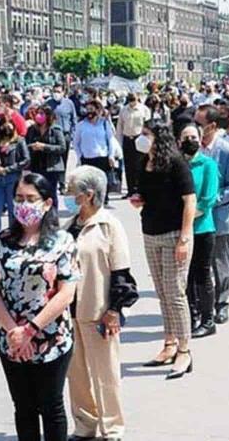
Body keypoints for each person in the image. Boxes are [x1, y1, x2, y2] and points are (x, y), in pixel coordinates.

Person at [0, 172, 79, 441]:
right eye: (19, 198)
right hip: (10, 338)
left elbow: (66, 293)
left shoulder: (62, 241)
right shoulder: (2, 241)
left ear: (47, 203)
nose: (24, 204)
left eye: (31, 199)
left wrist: (31, 329)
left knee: (51, 406)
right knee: (23, 407)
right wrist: (14, 331)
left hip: (51, 338)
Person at [64, 166, 138, 441]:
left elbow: (121, 271)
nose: (68, 195)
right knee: (77, 375)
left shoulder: (109, 226)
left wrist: (114, 310)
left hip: (99, 311)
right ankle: (85, 424)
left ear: (89, 194)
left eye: (72, 191)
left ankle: (113, 427)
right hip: (69, 311)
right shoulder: (70, 225)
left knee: (105, 374)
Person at [132, 120, 196, 379]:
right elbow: (145, 193)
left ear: (159, 137)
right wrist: (138, 199)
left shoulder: (176, 163)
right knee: (161, 291)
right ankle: (169, 343)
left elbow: (189, 200)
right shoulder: (144, 163)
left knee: (175, 292)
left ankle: (184, 349)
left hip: (173, 234)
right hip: (150, 232)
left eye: (147, 134)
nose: (142, 138)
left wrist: (184, 237)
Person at [195, 104, 229, 325]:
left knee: (221, 263)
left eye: (199, 124)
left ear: (212, 126)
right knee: (200, 266)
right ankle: (203, 307)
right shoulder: (191, 150)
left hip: (219, 217)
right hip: (196, 219)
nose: (195, 128)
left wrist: (210, 200)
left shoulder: (227, 152)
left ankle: (222, 304)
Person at [177, 124, 219, 338]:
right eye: (186, 137)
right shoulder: (177, 165)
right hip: (181, 231)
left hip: (202, 229)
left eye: (194, 136)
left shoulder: (208, 164)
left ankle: (207, 319)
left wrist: (186, 215)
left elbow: (209, 198)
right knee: (186, 276)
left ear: (200, 139)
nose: (190, 140)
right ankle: (190, 317)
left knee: (202, 274)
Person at [73, 99, 116, 206]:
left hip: (102, 157)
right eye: (87, 109)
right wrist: (79, 156)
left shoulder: (104, 124)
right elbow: (76, 143)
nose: (89, 112)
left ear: (97, 110)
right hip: (87, 158)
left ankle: (103, 200)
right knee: (89, 183)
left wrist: (111, 156)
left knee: (102, 181)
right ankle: (92, 202)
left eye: (91, 109)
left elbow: (111, 140)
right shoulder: (81, 125)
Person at [0, 118, 29, 234]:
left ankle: (13, 235)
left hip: (13, 180)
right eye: (3, 126)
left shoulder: (19, 141)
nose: (6, 129)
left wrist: (8, 169)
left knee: (13, 211)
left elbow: (26, 160)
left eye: (9, 126)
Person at [25, 105, 66, 205]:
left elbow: (62, 147)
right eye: (38, 113)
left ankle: (52, 217)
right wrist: (32, 146)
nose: (39, 116)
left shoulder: (56, 129)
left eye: (42, 113)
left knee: (51, 194)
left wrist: (44, 147)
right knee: (38, 194)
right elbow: (25, 145)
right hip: (36, 166)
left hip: (51, 167)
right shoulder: (32, 129)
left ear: (48, 116)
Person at [116, 93, 150, 198]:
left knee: (139, 165)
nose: (132, 102)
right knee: (128, 165)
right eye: (130, 100)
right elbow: (119, 127)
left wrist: (148, 140)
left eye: (133, 99)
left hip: (139, 139)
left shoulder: (144, 109)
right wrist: (119, 142)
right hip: (127, 139)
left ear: (137, 99)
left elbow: (148, 126)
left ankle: (139, 189)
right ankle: (130, 190)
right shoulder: (124, 110)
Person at [46, 85, 78, 192]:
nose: (56, 93)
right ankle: (53, 182)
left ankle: (62, 184)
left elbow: (74, 120)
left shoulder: (69, 103)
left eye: (58, 91)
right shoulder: (48, 104)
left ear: (63, 92)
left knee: (64, 160)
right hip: (52, 135)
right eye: (55, 91)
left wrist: (73, 135)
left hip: (65, 135)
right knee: (53, 160)